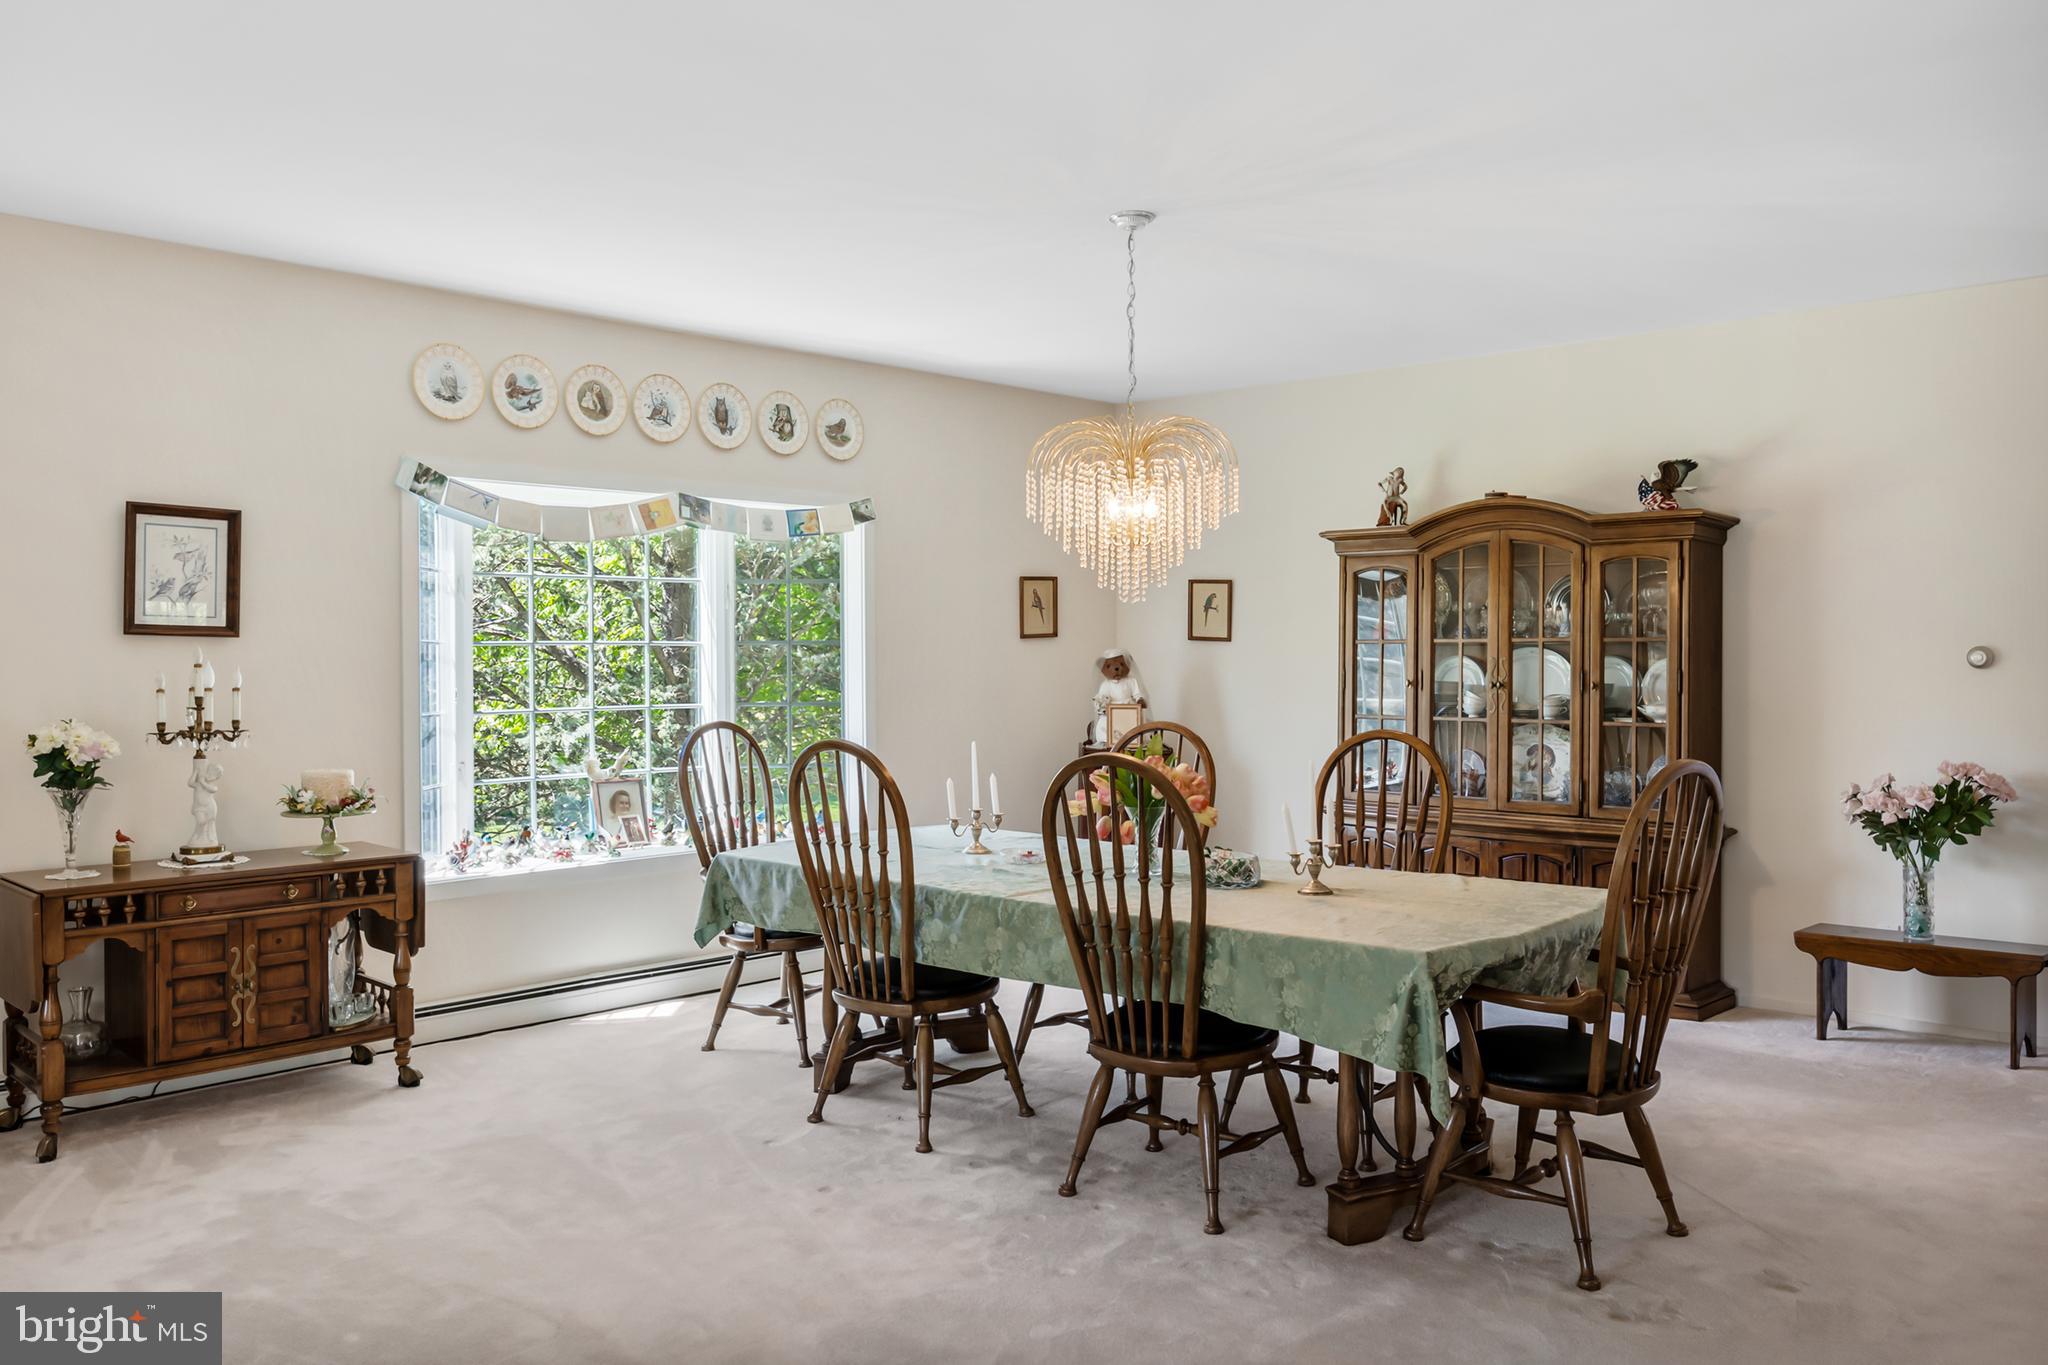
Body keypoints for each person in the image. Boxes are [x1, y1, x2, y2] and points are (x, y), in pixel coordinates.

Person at [1088, 648, 1148, 747]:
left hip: (1129, 709)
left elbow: (1137, 694)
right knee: (1105, 723)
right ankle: (1105, 739)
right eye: (1109, 666)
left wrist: (1139, 699)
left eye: (1122, 664)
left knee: (1133, 724)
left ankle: (1132, 740)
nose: (1116, 668)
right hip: (1111, 712)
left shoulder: (1131, 681)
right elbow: (1102, 698)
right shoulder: (1106, 684)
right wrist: (1102, 704)